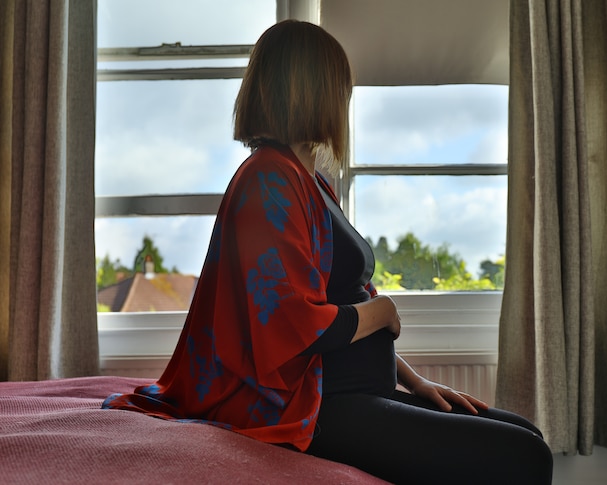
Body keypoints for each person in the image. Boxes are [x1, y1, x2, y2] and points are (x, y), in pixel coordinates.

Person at [102, 19, 553, 484]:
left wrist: (414, 382)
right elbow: (290, 323)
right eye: (340, 87)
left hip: (357, 390)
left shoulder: (310, 180)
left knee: (528, 435)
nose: (345, 100)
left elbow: (342, 303)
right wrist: (383, 312)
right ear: (310, 91)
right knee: (525, 458)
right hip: (317, 406)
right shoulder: (267, 180)